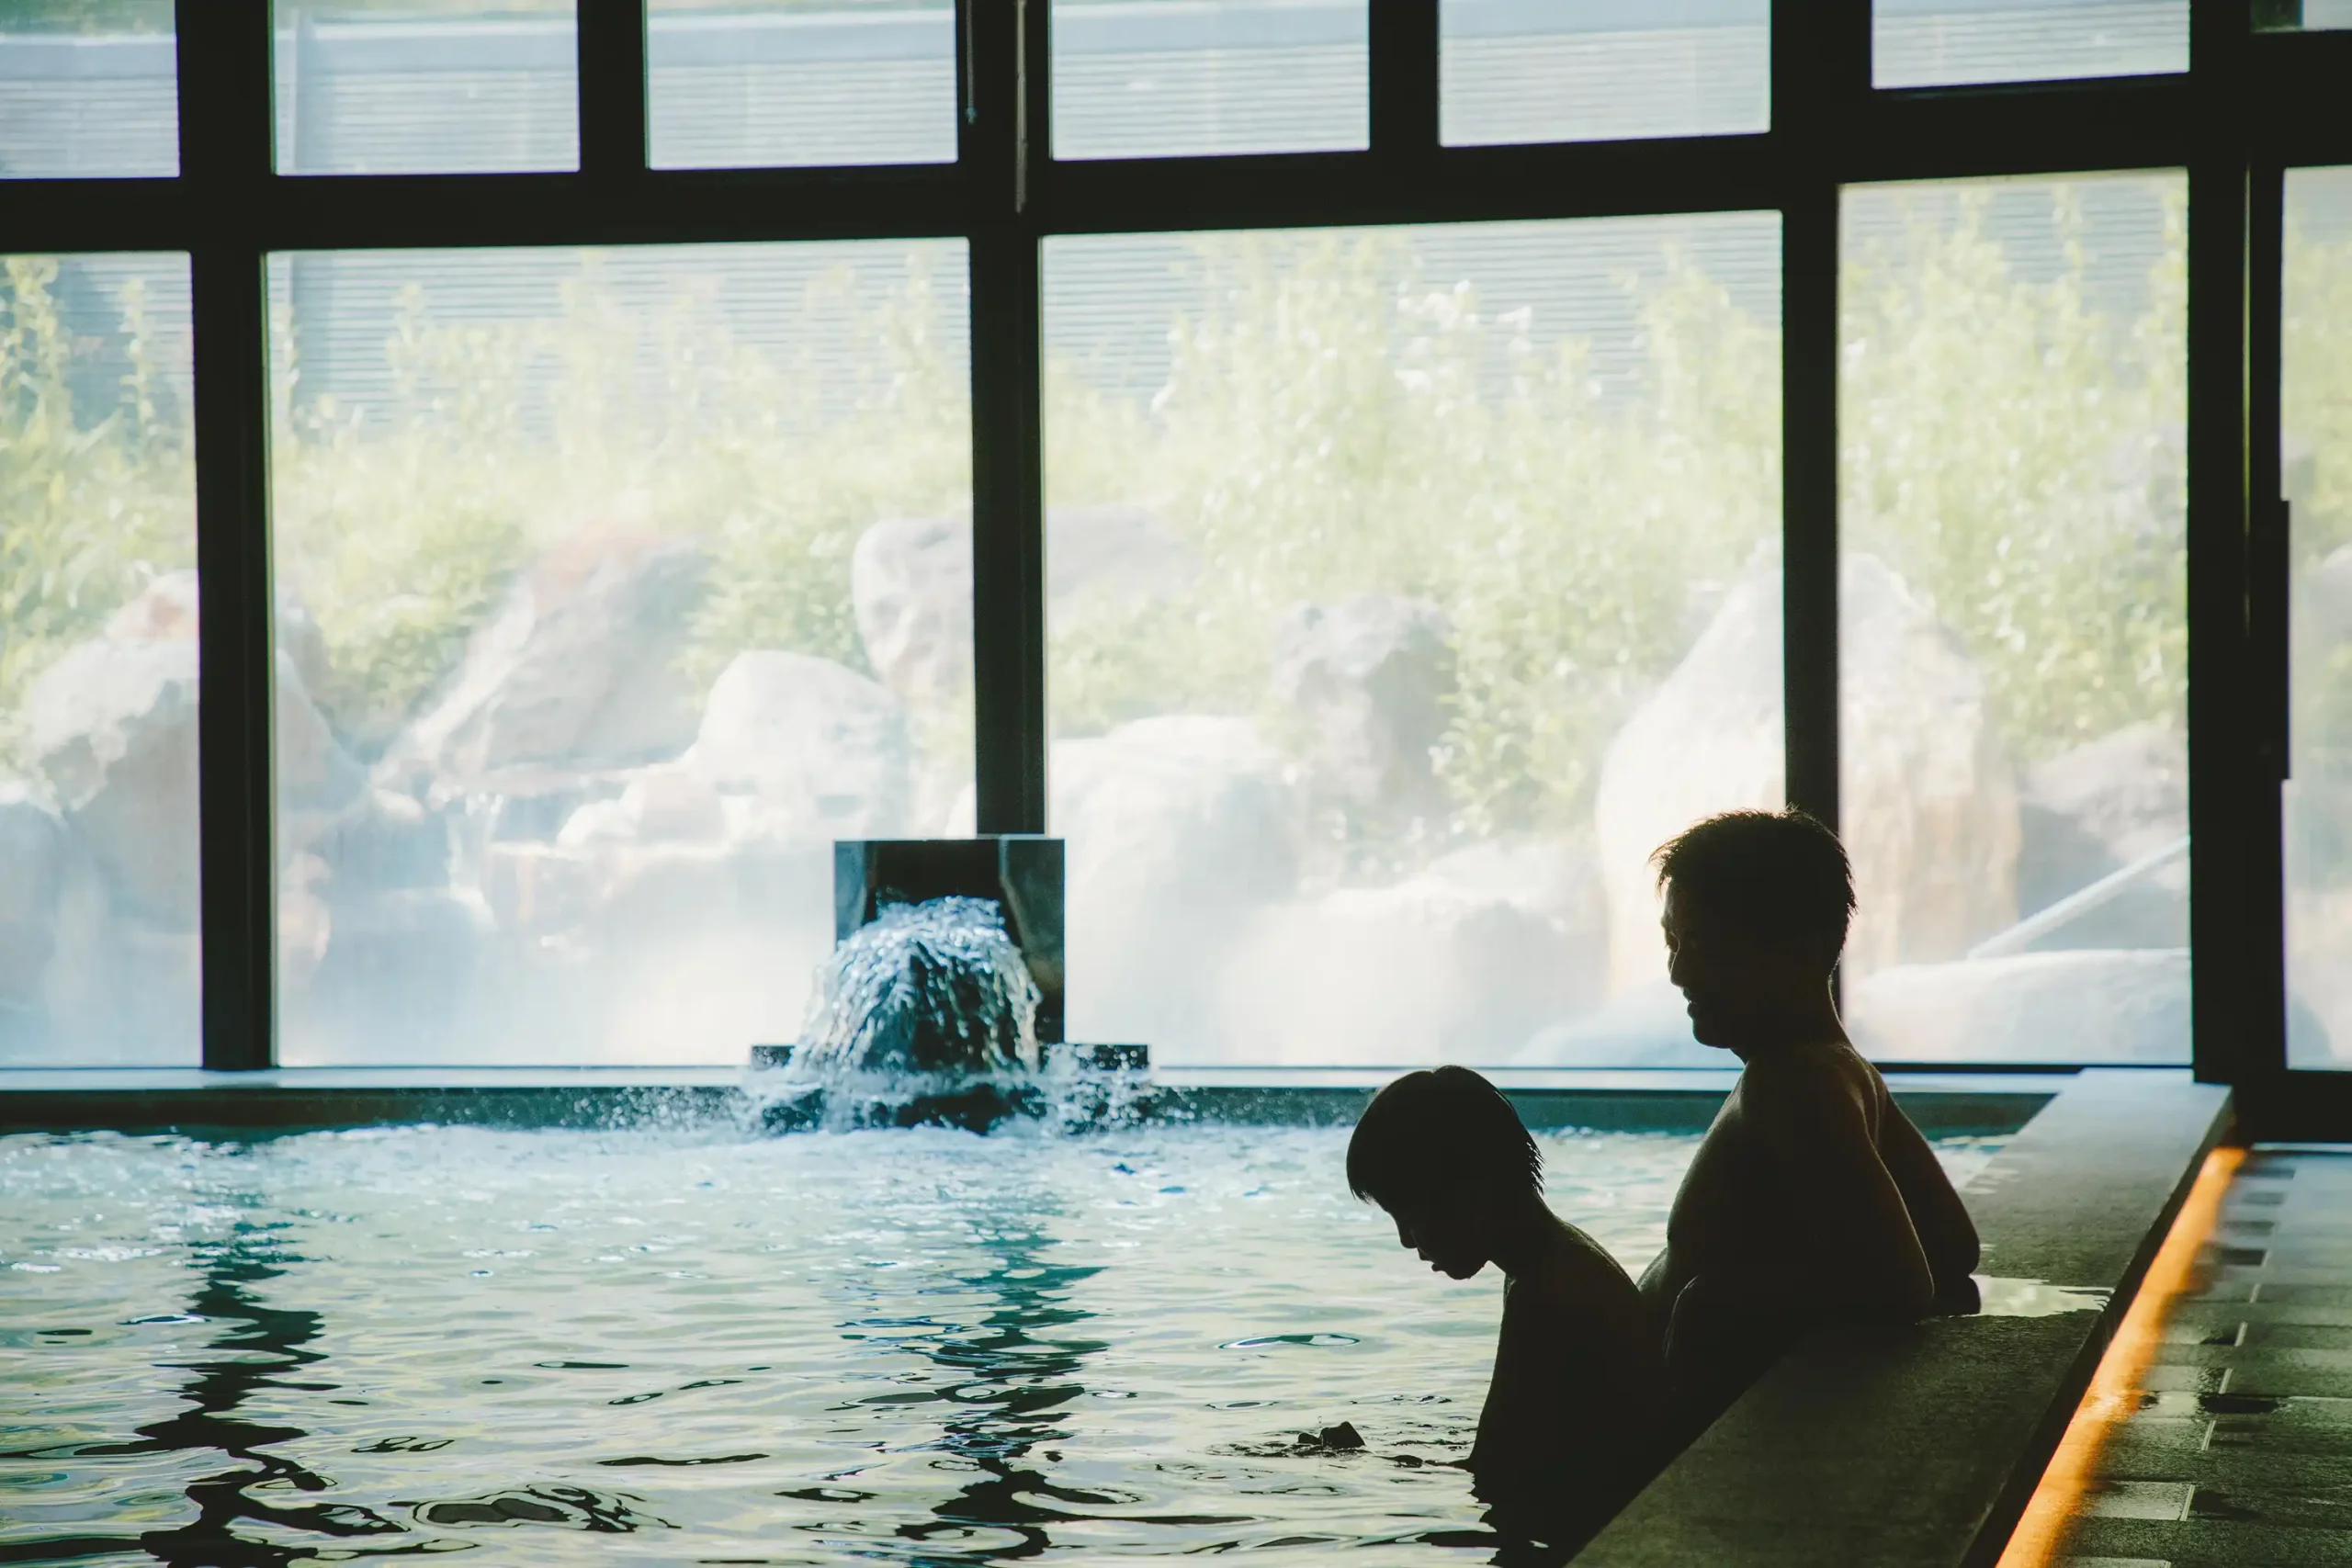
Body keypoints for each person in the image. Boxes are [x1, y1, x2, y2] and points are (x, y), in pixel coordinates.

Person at [1637, 808, 1980, 1434]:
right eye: (1673, 942)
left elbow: (1900, 1284)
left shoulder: (1792, 1083)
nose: (1679, 971)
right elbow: (1953, 1245)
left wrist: (1715, 1302)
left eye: (1705, 945)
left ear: (1802, 948)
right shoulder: (1838, 1069)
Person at [1348, 1066, 1665, 1550]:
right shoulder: (1554, 1259)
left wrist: (1366, 1464)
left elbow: (1493, 1473)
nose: (1406, 1240)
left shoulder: (1547, 1293)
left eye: (1409, 1216)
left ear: (1470, 1192)